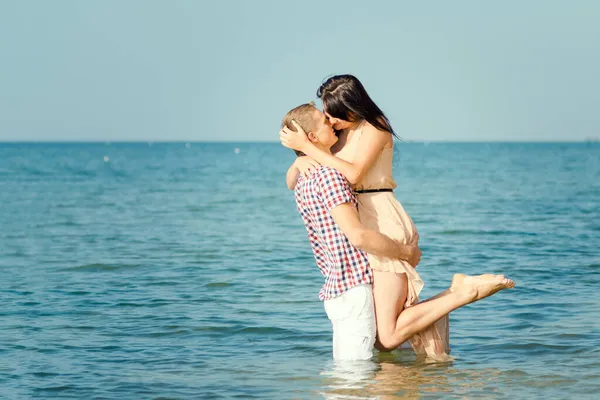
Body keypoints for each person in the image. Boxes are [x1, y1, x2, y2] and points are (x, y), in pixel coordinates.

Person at [282, 102, 515, 361]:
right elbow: (300, 184)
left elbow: (351, 176)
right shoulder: (324, 167)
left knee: (377, 347)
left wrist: (304, 151)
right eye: (324, 119)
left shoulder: (366, 134)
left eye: (332, 115)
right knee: (385, 341)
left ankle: (459, 296)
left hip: (378, 231)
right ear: (312, 137)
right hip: (356, 262)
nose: (330, 121)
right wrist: (301, 158)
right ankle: (453, 304)